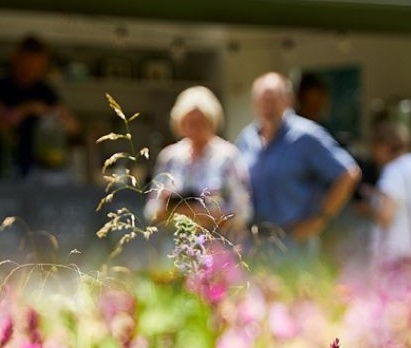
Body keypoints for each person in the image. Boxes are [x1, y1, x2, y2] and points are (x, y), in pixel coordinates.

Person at [235, 72, 361, 252]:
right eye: (262, 101)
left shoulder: (306, 136)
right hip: (255, 243)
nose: (266, 107)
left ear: (287, 100)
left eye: (272, 100)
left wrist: (320, 220)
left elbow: (349, 173)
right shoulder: (247, 137)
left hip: (293, 244)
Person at [145, 87, 251, 235]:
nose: (194, 128)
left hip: (218, 243)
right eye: (189, 122)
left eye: (200, 121)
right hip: (176, 243)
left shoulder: (228, 156)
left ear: (212, 122)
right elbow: (151, 210)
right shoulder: (170, 157)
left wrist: (201, 213)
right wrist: (167, 203)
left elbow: (243, 211)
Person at [0, 36, 80, 180]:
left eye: (37, 67)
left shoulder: (45, 91)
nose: (31, 71)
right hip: (1, 165)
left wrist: (58, 118)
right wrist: (27, 109)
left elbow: (72, 127)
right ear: (17, 59)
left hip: (37, 170)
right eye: (28, 65)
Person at [361, 119, 411, 275]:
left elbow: (386, 215)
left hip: (396, 256)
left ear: (384, 146)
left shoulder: (393, 171)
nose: (374, 154)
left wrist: (365, 208)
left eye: (375, 147)